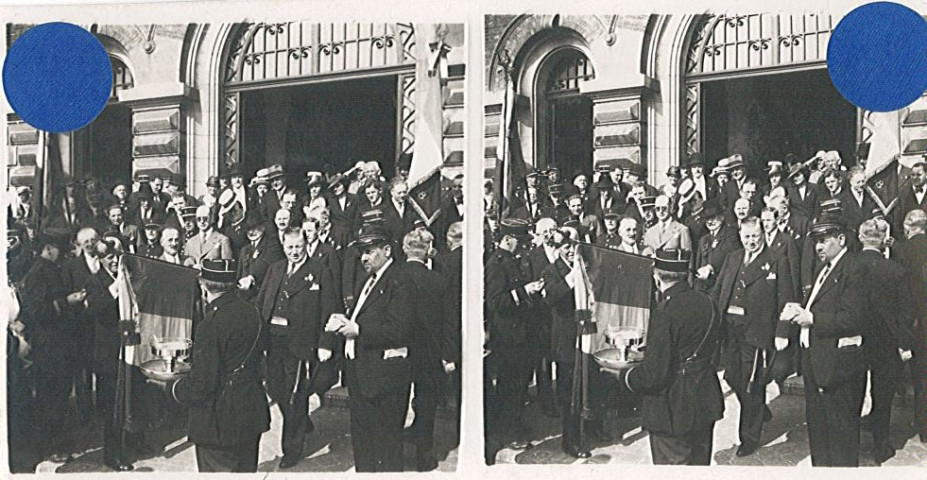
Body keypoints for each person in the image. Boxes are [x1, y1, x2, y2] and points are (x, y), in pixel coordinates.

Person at [603, 249, 724, 465]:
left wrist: (625, 376)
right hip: (705, 399)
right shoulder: (708, 301)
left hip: (672, 407)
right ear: (686, 274)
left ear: (657, 276)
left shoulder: (665, 311)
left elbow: (654, 375)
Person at [149, 260, 270, 472]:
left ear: (203, 284)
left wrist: (172, 388)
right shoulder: (253, 312)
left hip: (219, 421)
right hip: (250, 412)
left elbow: (202, 385)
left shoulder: (211, 324)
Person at [775, 214, 868, 466]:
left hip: (838, 367)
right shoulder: (825, 269)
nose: (818, 247)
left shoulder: (853, 267)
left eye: (823, 240)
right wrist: (798, 311)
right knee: (820, 434)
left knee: (840, 438)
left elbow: (853, 318)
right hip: (817, 362)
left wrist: (812, 318)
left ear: (841, 238)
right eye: (816, 241)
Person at [325, 223, 414, 472]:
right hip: (362, 374)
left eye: (370, 251)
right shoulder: (368, 280)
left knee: (386, 446)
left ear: (387, 250)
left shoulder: (399, 279)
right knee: (364, 443)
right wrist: (345, 322)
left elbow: (401, 329)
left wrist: (359, 330)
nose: (363, 257)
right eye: (361, 252)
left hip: (383, 377)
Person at [256, 228, 340, 469]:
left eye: (298, 246)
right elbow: (262, 301)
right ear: (283, 245)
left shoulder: (319, 272)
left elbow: (330, 310)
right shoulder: (275, 269)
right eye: (290, 247)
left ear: (306, 244)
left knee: (295, 395)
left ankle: (291, 449)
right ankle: (301, 421)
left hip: (301, 344)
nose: (294, 252)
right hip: (273, 342)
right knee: (275, 388)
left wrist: (326, 343)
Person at [711, 217, 792, 456]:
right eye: (746, 237)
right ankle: (758, 409)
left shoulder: (777, 261)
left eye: (755, 236)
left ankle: (748, 437)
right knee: (734, 378)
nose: (751, 241)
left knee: (751, 384)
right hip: (729, 330)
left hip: (756, 332)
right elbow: (718, 291)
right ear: (740, 236)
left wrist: (782, 332)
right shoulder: (732, 258)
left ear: (763, 234)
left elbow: (786, 300)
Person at [18, 227, 85, 461]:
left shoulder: (51, 269)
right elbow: (39, 312)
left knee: (59, 396)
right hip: (49, 348)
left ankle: (56, 443)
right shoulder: (38, 274)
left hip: (59, 346)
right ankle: (49, 448)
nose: (63, 254)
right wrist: (68, 301)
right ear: (48, 249)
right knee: (51, 398)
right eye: (60, 249)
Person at [856, 218, 915, 463]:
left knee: (852, 391)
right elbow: (906, 311)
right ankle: (881, 444)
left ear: (860, 237)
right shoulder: (896, 270)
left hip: (855, 339)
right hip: (886, 341)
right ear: (882, 240)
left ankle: (849, 441)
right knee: (883, 393)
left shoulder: (849, 266)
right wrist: (904, 343)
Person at [483, 218, 544, 455]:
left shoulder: (511, 260)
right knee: (511, 386)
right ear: (508, 240)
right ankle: (510, 432)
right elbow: (496, 302)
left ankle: (515, 424)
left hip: (521, 336)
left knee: (519, 386)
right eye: (520, 241)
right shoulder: (497, 264)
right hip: (508, 337)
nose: (524, 246)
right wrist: (524, 291)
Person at [539, 228, 592, 458]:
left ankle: (588, 432)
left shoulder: (587, 267)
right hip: (565, 341)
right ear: (558, 249)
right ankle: (570, 440)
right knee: (569, 392)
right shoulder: (551, 271)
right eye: (566, 247)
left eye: (573, 245)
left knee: (587, 388)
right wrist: (572, 279)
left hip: (586, 336)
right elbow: (554, 298)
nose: (571, 250)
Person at [400, 229, 448, 471]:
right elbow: (448, 321)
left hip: (397, 349)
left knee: (397, 400)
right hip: (428, 350)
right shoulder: (438, 280)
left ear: (404, 249)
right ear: (429, 250)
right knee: (426, 402)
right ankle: (423, 455)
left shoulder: (393, 277)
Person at [892, 208, 927, 444]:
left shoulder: (903, 251)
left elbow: (902, 294)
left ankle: (924, 427)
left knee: (921, 377)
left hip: (917, 323)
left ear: (907, 226)